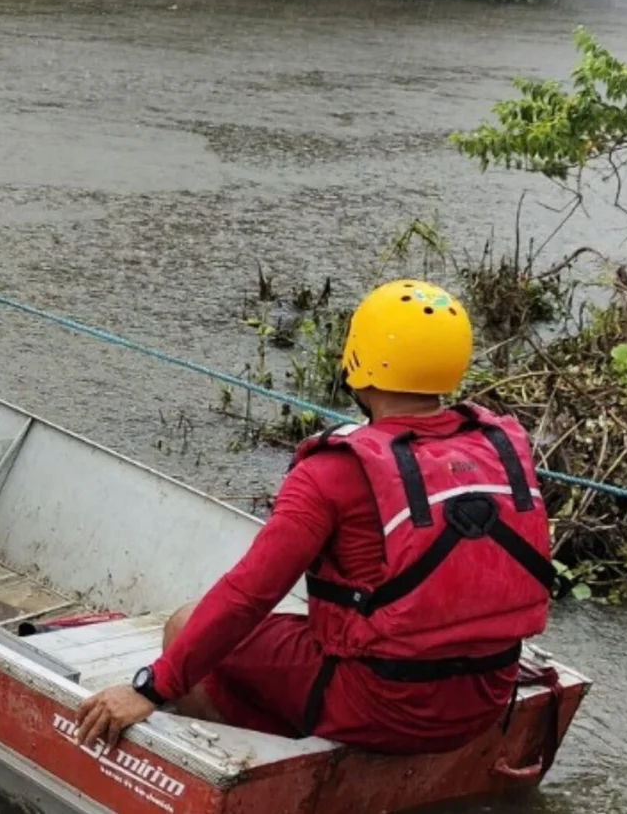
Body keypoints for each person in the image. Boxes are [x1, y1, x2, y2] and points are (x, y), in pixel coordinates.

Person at [74, 279, 554, 756]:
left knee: (186, 626)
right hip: (485, 696)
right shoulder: (494, 446)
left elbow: (249, 594)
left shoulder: (331, 471)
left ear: (358, 361)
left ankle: (258, 762)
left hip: (386, 707)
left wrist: (148, 688)